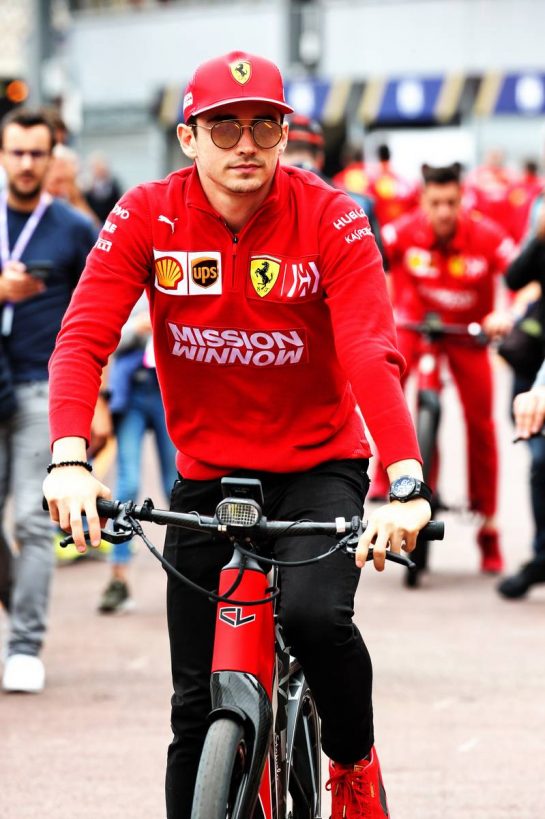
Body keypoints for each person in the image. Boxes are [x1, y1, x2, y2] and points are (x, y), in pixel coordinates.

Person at [43, 51, 432, 819]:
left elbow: (368, 349)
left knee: (316, 619)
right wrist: (68, 458)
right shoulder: (147, 213)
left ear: (285, 135)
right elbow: (83, 337)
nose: (245, 144)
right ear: (188, 137)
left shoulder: (332, 215)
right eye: (224, 127)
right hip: (207, 475)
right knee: (193, 706)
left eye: (264, 126)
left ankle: (352, 762)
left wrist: (407, 480)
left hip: (318, 466)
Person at [375, 162, 517, 573]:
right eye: (435, 202)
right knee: (385, 383)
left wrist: (506, 313)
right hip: (416, 328)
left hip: (468, 335)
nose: (443, 212)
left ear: (462, 199)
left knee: (481, 424)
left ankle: (488, 529)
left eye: (451, 202)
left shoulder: (487, 236)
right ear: (422, 200)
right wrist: (382, 305)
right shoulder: (401, 232)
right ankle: (385, 474)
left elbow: (521, 278)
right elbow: (371, 265)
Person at [0, 108, 98, 693]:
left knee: (33, 523)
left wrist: (97, 402)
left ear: (51, 156)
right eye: (16, 152)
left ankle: (24, 646)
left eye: (37, 153)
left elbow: (99, 315)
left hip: (44, 388)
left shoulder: (73, 227)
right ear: (2, 154)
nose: (27, 163)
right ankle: (21, 602)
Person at [97, 294, 177, 614]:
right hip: (133, 393)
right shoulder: (132, 288)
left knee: (177, 486)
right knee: (127, 484)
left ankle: (193, 576)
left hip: (169, 392)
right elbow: (105, 340)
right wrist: (136, 328)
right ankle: (118, 579)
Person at [497, 193, 545, 599]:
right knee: (540, 461)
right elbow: (514, 278)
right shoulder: (540, 212)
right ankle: (541, 555)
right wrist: (539, 236)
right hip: (535, 359)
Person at [280, 113, 385, 261]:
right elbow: (380, 270)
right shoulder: (359, 202)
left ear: (278, 152)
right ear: (320, 158)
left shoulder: (257, 200)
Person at [83, 152, 122, 224]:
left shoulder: (113, 185)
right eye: (96, 167)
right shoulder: (87, 187)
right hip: (93, 222)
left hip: (111, 221)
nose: (100, 170)